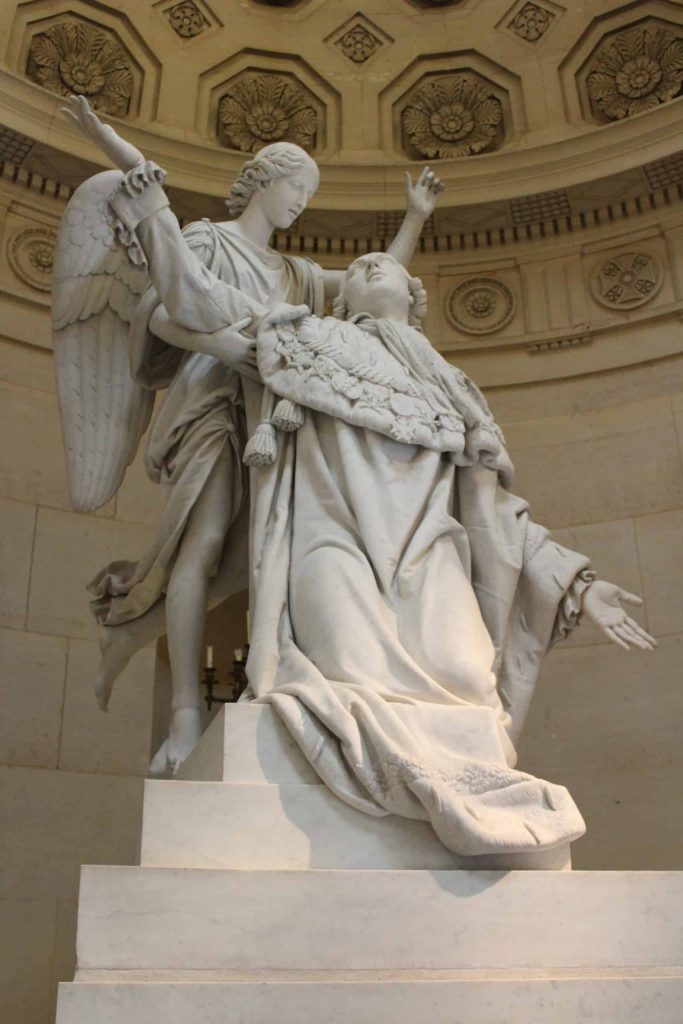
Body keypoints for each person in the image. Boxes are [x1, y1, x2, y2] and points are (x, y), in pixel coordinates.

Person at [60, 95, 444, 774]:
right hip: (211, 401)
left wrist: (413, 219)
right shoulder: (207, 239)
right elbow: (158, 318)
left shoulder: (295, 275)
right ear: (267, 179)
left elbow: (373, 286)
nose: (301, 203)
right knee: (202, 545)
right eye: (299, 188)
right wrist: (226, 348)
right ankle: (184, 711)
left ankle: (281, 677)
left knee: (277, 554)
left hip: (278, 416)